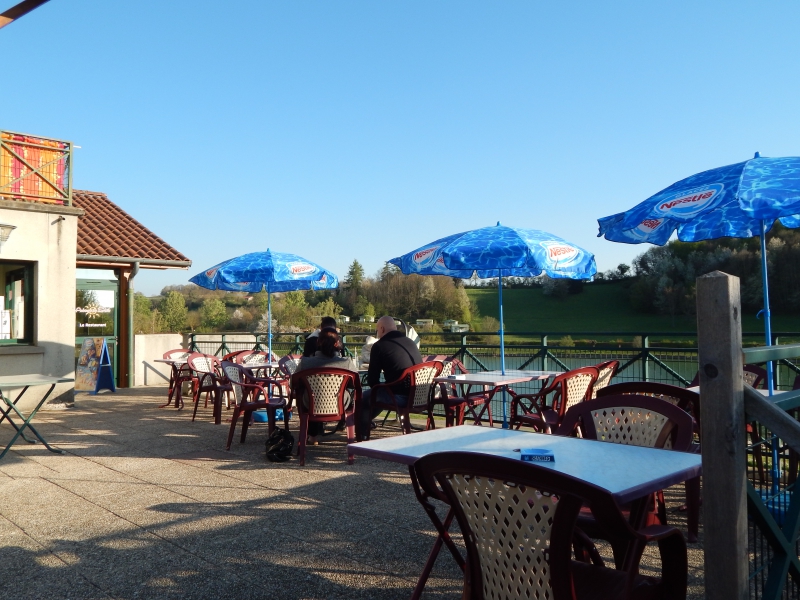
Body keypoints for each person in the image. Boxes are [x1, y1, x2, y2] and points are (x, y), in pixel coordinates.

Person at [358, 315, 422, 441]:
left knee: (365, 397)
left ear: (381, 329)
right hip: (419, 396)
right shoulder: (410, 342)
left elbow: (372, 381)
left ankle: (362, 434)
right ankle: (365, 424)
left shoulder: (379, 346)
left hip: (400, 398)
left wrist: (381, 385)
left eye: (377, 331)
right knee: (381, 391)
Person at [294, 327, 358, 444]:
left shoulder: (305, 363)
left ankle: (312, 436)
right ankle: (347, 427)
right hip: (339, 404)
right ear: (337, 343)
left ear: (318, 342)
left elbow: (294, 384)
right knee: (348, 393)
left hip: (311, 404)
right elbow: (356, 385)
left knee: (310, 394)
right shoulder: (346, 363)